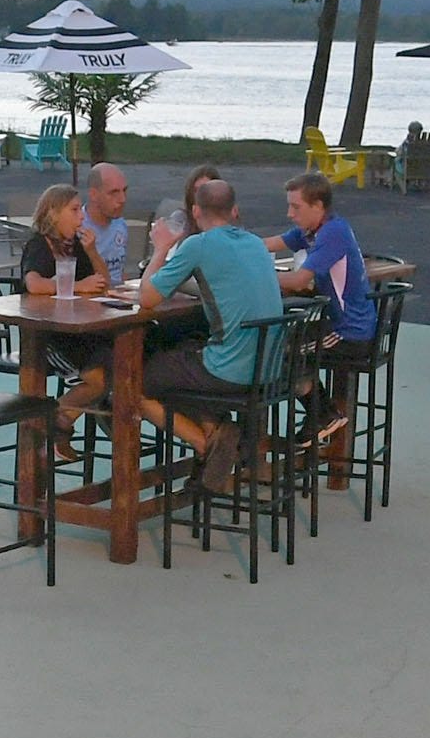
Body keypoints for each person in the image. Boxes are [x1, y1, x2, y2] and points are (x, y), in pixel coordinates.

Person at [137, 177, 283, 494]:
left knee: (134, 383)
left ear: (195, 211)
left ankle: (207, 442)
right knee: (184, 356)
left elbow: (147, 297)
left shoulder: (197, 245)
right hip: (269, 369)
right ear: (234, 211)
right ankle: (217, 433)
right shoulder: (256, 243)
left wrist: (161, 247)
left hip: (230, 371)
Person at [272, 169, 377, 444]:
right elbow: (269, 244)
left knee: (276, 351)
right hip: (339, 323)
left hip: (349, 331)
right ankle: (320, 411)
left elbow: (297, 280)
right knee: (279, 341)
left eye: (296, 207)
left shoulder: (332, 233)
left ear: (318, 206)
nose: (289, 213)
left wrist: (254, 275)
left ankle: (322, 412)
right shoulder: (314, 230)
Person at [16, 182, 114, 414]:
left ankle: (61, 424)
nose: (81, 216)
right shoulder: (40, 244)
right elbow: (34, 284)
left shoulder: (75, 245)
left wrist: (92, 251)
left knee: (117, 366)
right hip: (49, 335)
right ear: (53, 212)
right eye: (74, 210)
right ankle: (52, 421)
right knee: (100, 379)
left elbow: (103, 282)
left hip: (78, 329)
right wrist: (79, 286)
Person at [76, 161, 132, 279]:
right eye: (114, 192)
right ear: (93, 194)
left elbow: (120, 272)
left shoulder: (120, 224)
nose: (122, 199)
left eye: (124, 190)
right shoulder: (77, 227)